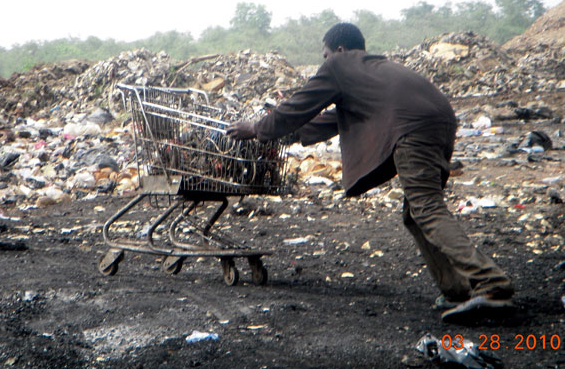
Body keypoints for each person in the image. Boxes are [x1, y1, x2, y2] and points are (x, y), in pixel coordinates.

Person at [227, 22, 514, 324]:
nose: (324, 62)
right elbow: (329, 120)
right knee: (416, 212)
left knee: (427, 208)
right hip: (439, 121)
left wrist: (256, 128)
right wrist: (287, 135)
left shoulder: (339, 65)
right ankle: (458, 289)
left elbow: (298, 106)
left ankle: (492, 286)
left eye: (325, 55)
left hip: (412, 128)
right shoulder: (373, 70)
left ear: (338, 50)